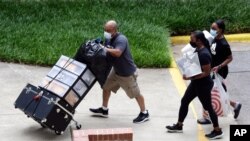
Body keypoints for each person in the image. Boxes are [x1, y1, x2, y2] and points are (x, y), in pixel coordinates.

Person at [89, 20, 149, 123]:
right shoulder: (108, 38)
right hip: (116, 70)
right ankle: (104, 109)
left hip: (126, 73)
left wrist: (104, 49)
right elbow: (106, 49)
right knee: (106, 87)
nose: (106, 32)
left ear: (115, 30)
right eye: (105, 30)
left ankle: (144, 113)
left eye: (108, 30)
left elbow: (117, 52)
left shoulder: (121, 39)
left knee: (136, 93)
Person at [166, 31, 223, 140]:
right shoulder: (199, 49)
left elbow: (206, 73)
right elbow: (196, 64)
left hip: (204, 85)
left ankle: (217, 130)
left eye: (192, 38)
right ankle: (179, 125)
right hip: (196, 83)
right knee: (185, 101)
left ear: (199, 41)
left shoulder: (204, 54)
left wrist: (190, 77)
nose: (190, 40)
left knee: (208, 107)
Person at [197, 19, 242, 124]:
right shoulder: (213, 38)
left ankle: (207, 118)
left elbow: (230, 58)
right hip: (212, 70)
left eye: (214, 28)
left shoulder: (224, 44)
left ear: (221, 30)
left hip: (219, 72)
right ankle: (235, 105)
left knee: (208, 93)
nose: (211, 30)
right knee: (217, 93)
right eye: (211, 28)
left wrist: (219, 66)